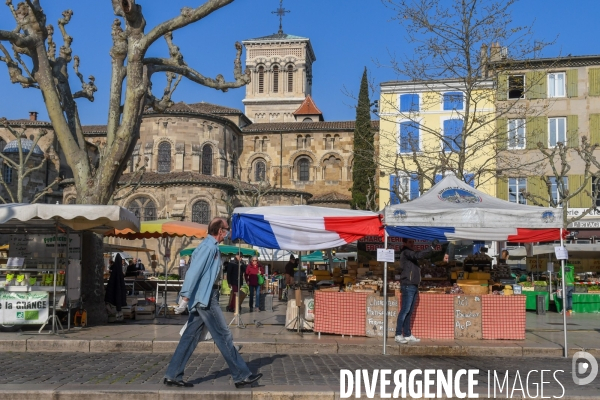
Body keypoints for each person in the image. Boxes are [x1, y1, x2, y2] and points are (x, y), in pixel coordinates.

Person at [164, 217, 262, 388]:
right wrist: (185, 297)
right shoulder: (208, 247)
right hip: (207, 298)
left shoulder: (211, 247)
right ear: (220, 231)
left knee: (189, 337)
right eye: (227, 228)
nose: (229, 231)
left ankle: (173, 374)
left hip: (205, 296)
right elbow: (193, 272)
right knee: (223, 335)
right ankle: (240, 375)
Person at [395, 239, 438, 344]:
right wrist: (431, 248)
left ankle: (408, 334)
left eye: (413, 242)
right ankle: (398, 334)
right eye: (410, 242)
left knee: (409, 312)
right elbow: (418, 255)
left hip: (413, 285)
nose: (412, 244)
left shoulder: (410, 254)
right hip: (408, 285)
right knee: (405, 310)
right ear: (404, 243)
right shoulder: (406, 252)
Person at [104, 254, 127, 322]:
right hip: (118, 289)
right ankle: (118, 314)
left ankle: (116, 314)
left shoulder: (114, 268)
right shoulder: (118, 269)